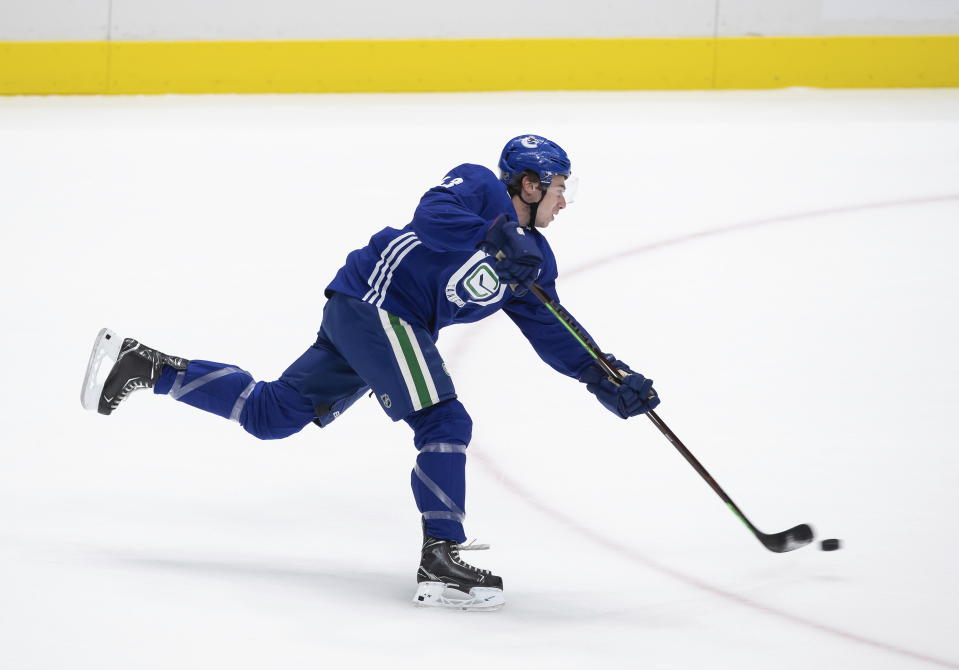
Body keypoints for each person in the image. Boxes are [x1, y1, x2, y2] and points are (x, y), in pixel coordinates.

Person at [80, 134, 660, 612]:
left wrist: (605, 376)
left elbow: (551, 327)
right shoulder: (477, 184)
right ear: (530, 183)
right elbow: (432, 216)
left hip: (378, 321)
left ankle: (148, 367)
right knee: (443, 418)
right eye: (560, 188)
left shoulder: (533, 261)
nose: (564, 201)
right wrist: (496, 234)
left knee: (273, 414)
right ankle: (442, 555)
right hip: (376, 307)